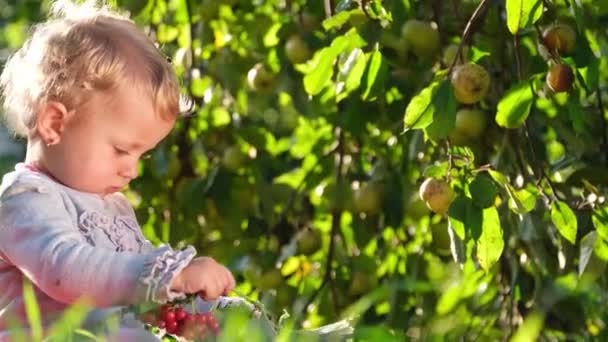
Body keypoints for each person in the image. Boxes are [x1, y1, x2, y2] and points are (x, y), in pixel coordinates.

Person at [0, 0, 242, 340]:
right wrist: (164, 277)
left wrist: (186, 306)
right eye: (122, 150)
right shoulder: (25, 200)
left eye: (141, 156)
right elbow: (65, 270)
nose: (131, 170)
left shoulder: (111, 205)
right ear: (55, 123)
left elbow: (132, 289)